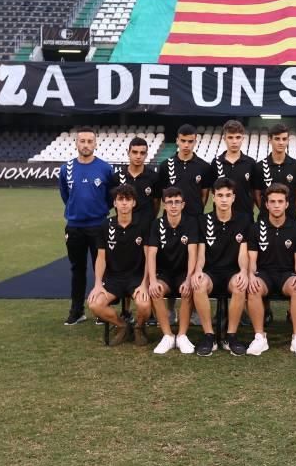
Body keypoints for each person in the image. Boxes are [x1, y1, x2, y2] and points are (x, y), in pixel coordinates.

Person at [190, 178, 253, 357]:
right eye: (220, 196)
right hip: (211, 272)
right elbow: (201, 253)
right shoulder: (203, 220)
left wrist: (242, 271)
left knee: (240, 284)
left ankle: (230, 336)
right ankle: (209, 335)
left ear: (233, 197)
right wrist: (198, 270)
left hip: (233, 271)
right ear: (213, 198)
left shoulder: (244, 220)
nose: (224, 199)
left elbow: (243, 253)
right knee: (199, 284)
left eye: (227, 195)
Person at [59, 127, 115, 326]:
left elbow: (111, 197)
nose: (86, 145)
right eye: (82, 141)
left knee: (101, 270)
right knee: (77, 269)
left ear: (95, 144)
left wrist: (99, 210)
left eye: (89, 141)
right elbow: (66, 195)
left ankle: (101, 310)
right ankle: (77, 311)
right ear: (76, 143)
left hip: (99, 225)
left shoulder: (106, 169)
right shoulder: (66, 169)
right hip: (74, 226)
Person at [246, 184, 296, 357]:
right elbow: (252, 259)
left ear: (287, 204)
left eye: (280, 201)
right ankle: (260, 337)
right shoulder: (256, 228)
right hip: (264, 274)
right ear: (266, 204)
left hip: (286, 274)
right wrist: (251, 275)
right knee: (253, 287)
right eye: (272, 201)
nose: (276, 205)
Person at [86, 185, 150, 346]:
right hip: (113, 279)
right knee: (94, 304)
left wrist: (144, 284)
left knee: (144, 305)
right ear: (114, 203)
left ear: (134, 203)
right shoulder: (105, 226)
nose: (124, 203)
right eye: (120, 199)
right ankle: (122, 325)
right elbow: (101, 258)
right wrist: (98, 284)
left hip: (136, 278)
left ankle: (138, 328)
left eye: (128, 199)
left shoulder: (143, 225)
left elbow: (150, 258)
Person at [146, 187, 199, 355]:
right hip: (165, 273)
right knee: (155, 291)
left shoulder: (191, 223)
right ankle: (168, 336)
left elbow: (193, 253)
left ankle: (182, 335)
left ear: (183, 204)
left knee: (188, 290)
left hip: (184, 271)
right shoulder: (157, 224)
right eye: (170, 202)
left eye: (177, 202)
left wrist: (189, 279)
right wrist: (153, 280)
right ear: (164, 205)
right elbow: (151, 254)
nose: (173, 206)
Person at [158, 124, 214, 219]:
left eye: (190, 141)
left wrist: (197, 210)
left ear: (195, 142)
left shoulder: (204, 166)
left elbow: (204, 196)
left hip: (195, 218)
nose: (186, 145)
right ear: (177, 140)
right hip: (171, 219)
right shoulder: (165, 166)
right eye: (183, 141)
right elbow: (163, 194)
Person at [253, 123, 296, 221]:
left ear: (288, 140)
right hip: (266, 220)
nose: (281, 142)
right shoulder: (259, 167)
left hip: (290, 219)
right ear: (270, 140)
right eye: (277, 139)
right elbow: (256, 194)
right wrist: (267, 210)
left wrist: (290, 210)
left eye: (284, 139)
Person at [113, 137, 161, 236]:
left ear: (146, 155)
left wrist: (149, 218)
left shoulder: (154, 177)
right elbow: (115, 202)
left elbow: (156, 203)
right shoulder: (117, 177)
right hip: (124, 227)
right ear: (128, 153)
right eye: (134, 152)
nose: (138, 156)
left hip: (146, 228)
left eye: (142, 153)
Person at [213, 120, 256, 217]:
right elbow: (212, 190)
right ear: (224, 138)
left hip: (245, 216)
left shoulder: (250, 163)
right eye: (230, 137)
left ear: (242, 138)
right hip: (220, 218)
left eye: (238, 137)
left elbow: (254, 192)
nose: (234, 141)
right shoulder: (215, 163)